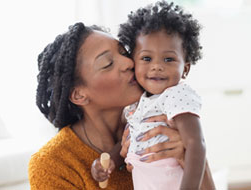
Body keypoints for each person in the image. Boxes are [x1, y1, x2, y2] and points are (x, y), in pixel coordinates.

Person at [28, 22, 185, 189]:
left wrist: (188, 157)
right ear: (79, 95)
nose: (128, 63)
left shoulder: (161, 125)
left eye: (124, 52)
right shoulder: (53, 165)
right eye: (107, 64)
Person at [117, 1, 212, 189]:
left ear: (185, 69)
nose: (157, 66)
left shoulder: (176, 96)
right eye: (146, 58)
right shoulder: (136, 104)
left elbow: (196, 143)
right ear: (133, 63)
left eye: (168, 59)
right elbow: (124, 143)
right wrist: (111, 161)